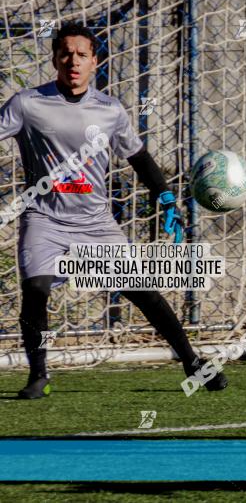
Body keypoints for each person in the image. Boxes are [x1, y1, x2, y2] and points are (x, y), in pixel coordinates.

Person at [0, 23, 227, 399]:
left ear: (95, 62)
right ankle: (38, 376)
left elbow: (137, 155)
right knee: (36, 289)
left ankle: (193, 363)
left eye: (82, 55)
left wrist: (166, 198)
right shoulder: (27, 104)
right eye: (66, 53)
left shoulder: (110, 110)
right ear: (55, 58)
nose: (73, 61)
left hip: (95, 223)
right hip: (45, 219)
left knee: (143, 292)